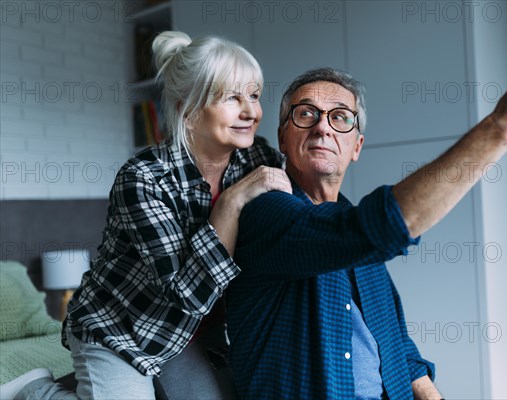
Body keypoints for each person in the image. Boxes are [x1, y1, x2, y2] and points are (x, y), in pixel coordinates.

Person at [226, 19, 507, 399]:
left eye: (340, 117)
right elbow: (374, 227)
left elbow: (397, 344)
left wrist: (431, 394)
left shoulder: (353, 231)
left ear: (357, 146)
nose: (322, 128)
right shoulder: (266, 213)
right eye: (306, 114)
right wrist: (504, 126)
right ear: (283, 136)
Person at [0, 33, 290, 399]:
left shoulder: (255, 159)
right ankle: (35, 390)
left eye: (254, 95)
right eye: (232, 98)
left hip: (191, 335)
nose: (251, 111)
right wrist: (229, 204)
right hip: (122, 332)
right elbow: (185, 295)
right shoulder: (144, 178)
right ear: (189, 109)